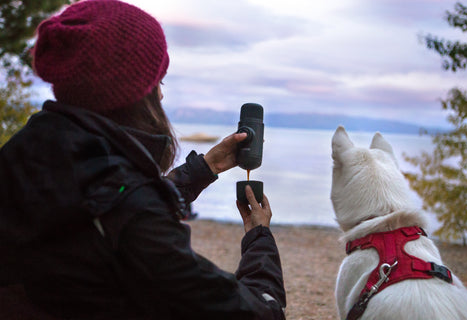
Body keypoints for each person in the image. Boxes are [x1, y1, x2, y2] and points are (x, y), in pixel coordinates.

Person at [0, 0, 286, 319]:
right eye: (158, 82)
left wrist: (206, 168)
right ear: (132, 93)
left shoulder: (22, 158)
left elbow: (105, 204)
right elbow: (252, 313)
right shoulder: (134, 219)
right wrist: (259, 237)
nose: (161, 96)